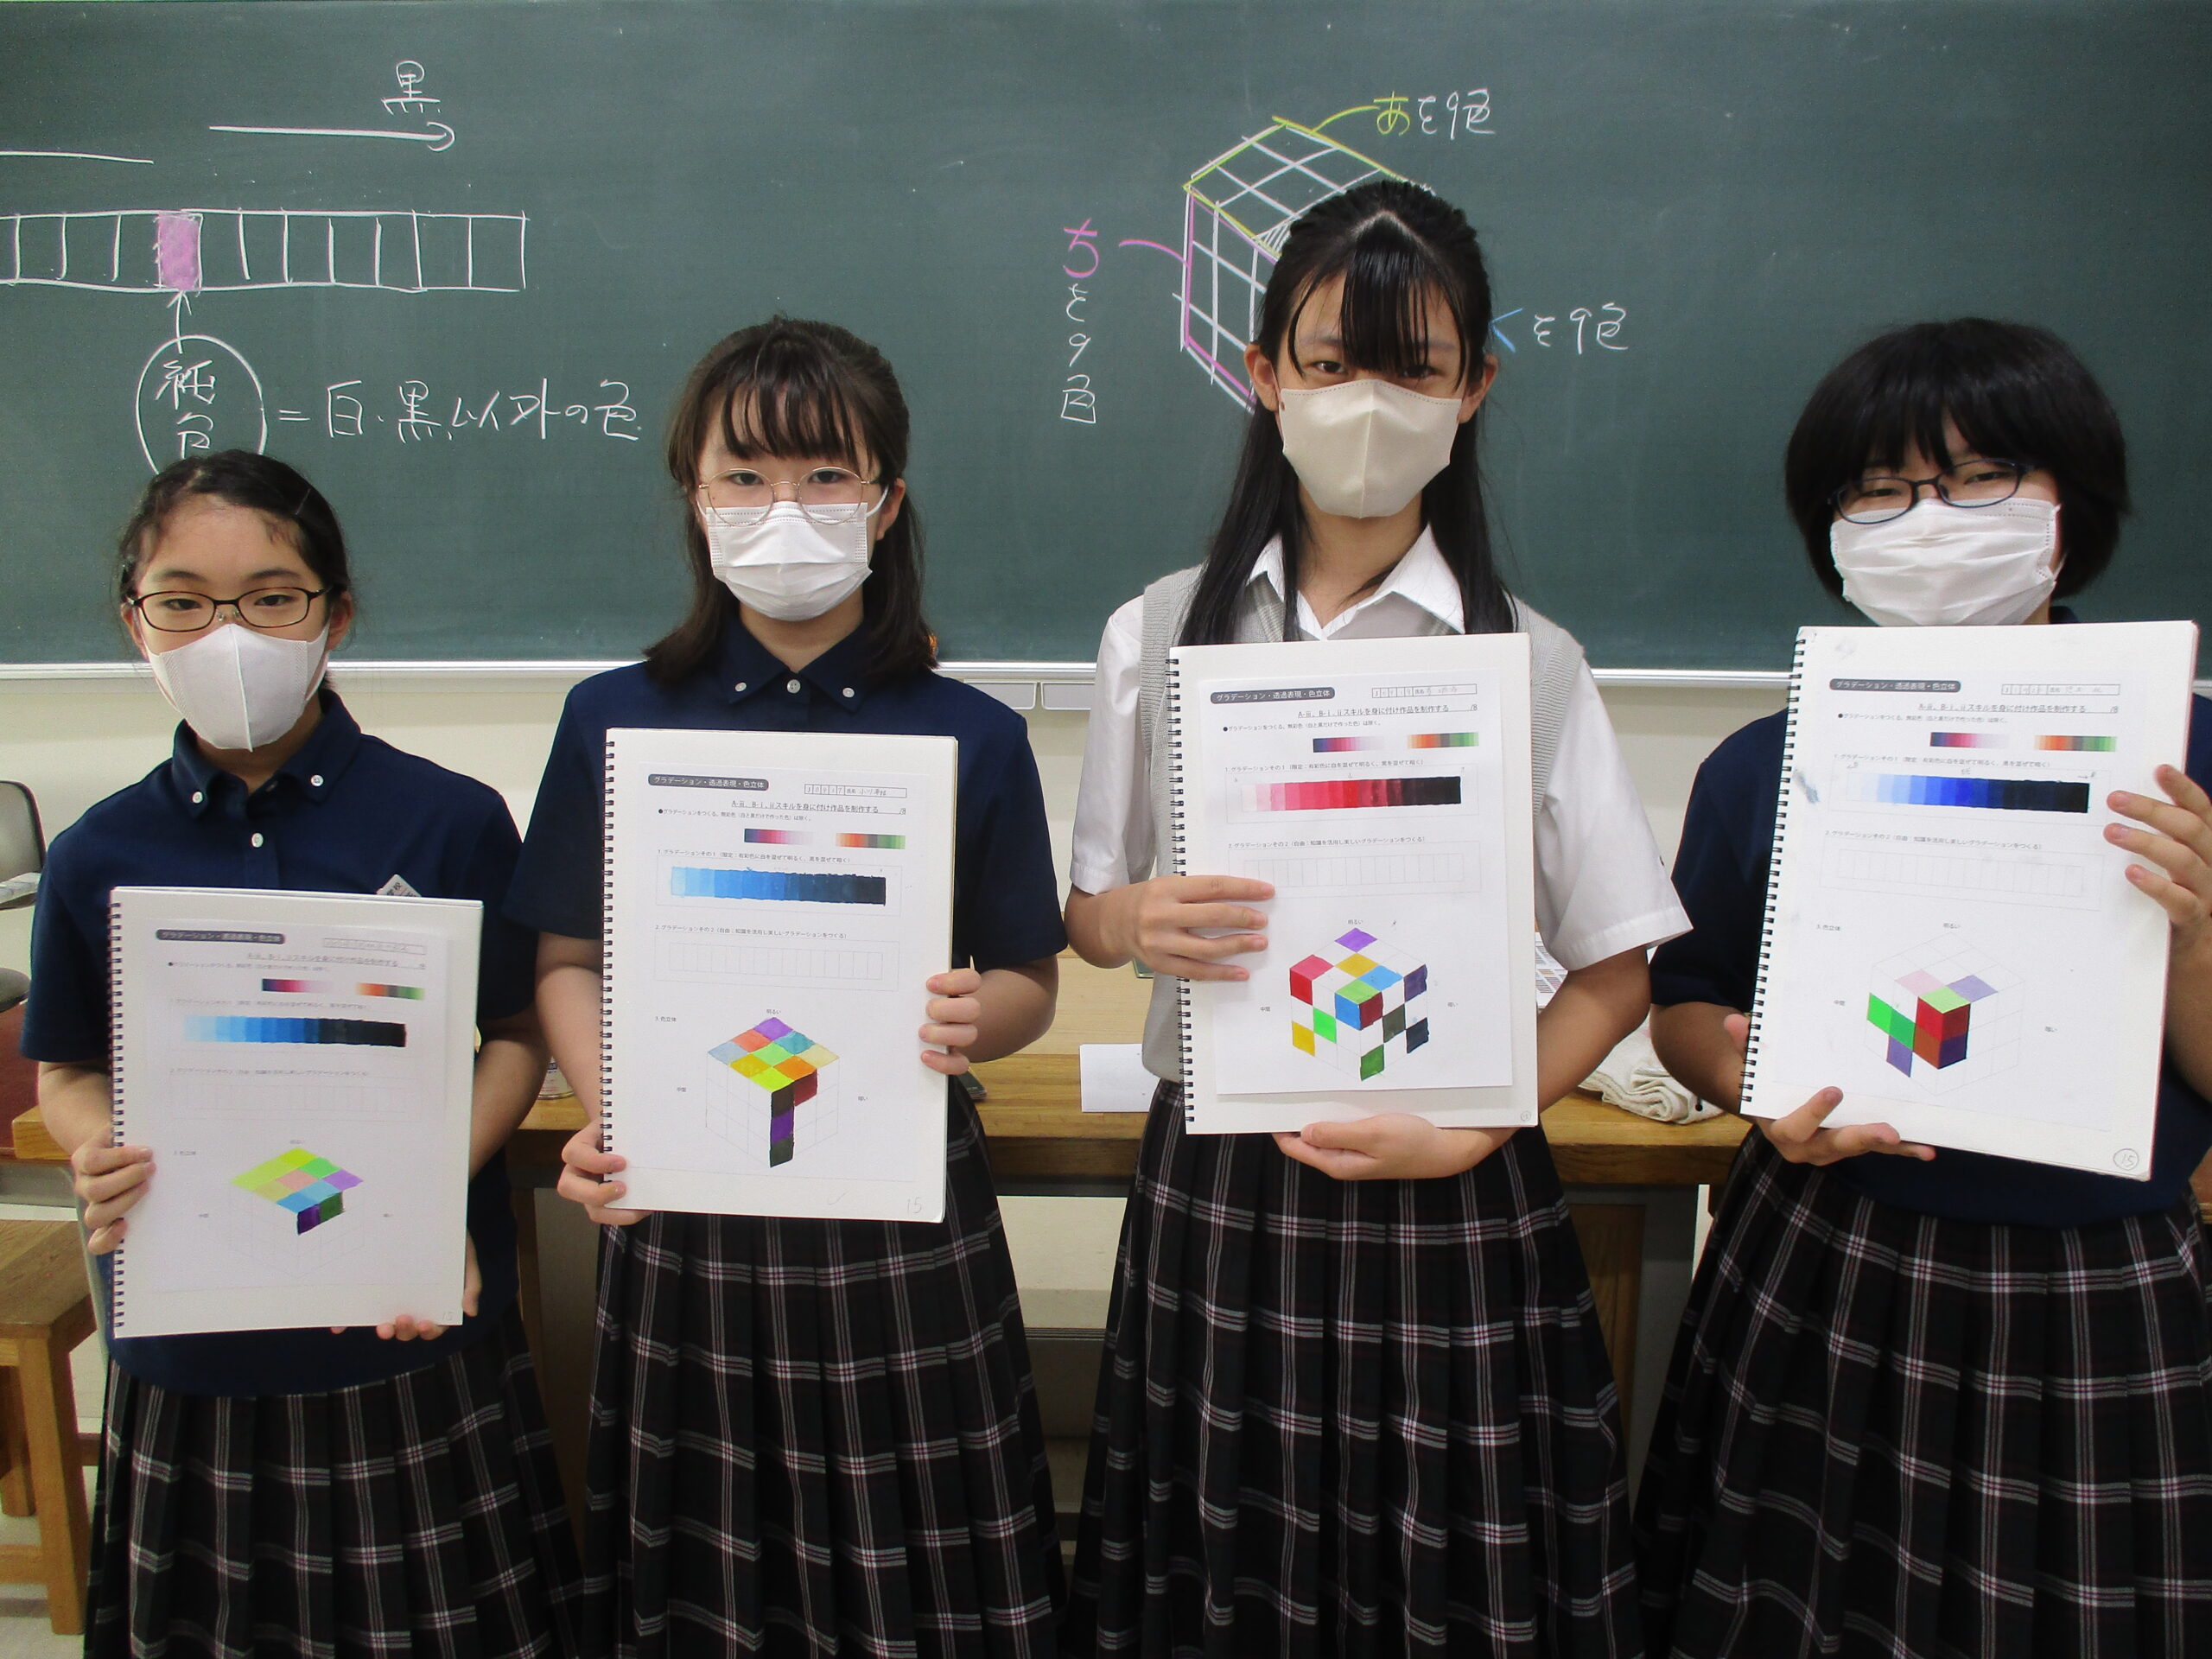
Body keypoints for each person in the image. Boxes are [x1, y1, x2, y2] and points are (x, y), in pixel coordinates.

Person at [1060, 179, 1689, 1656]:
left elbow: (1619, 967)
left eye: (1415, 367)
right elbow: (1088, 913)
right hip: (1226, 1184)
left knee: (1444, 1575)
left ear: (1474, 390)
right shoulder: (1161, 629)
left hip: (1450, 1178)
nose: (1367, 404)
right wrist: (1136, 920)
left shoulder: (1529, 660)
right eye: (1332, 362)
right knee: (1228, 1563)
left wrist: (1478, 1124)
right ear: (1264, 372)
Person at [1635, 319, 2212, 1656]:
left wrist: (2196, 933)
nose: (1930, 522)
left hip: (2090, 1276)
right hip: (1827, 1253)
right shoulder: (1766, 762)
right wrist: (1755, 1083)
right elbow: (1687, 1005)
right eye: (1880, 492)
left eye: (1980, 478)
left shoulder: (2183, 760)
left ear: (2071, 503)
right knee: (1788, 1606)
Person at [513, 318, 1068, 1656]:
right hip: (690, 1195)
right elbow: (566, 963)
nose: (786, 508)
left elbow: (1030, 982)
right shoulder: (614, 718)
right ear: (694, 497)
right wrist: (611, 1101)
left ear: (886, 500)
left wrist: (977, 1015)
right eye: (745, 476)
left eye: (826, 476)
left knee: (914, 1548)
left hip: (896, 1203)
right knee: (711, 1552)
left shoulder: (972, 732)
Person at [23, 450, 578, 1656]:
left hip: (402, 1316)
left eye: (272, 597)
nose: (228, 634)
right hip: (195, 1329)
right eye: (183, 600)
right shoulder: (96, 853)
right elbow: (66, 1065)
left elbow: (520, 1032)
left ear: (337, 613)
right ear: (134, 621)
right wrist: (94, 1145)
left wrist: (424, 1185)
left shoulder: (448, 818)